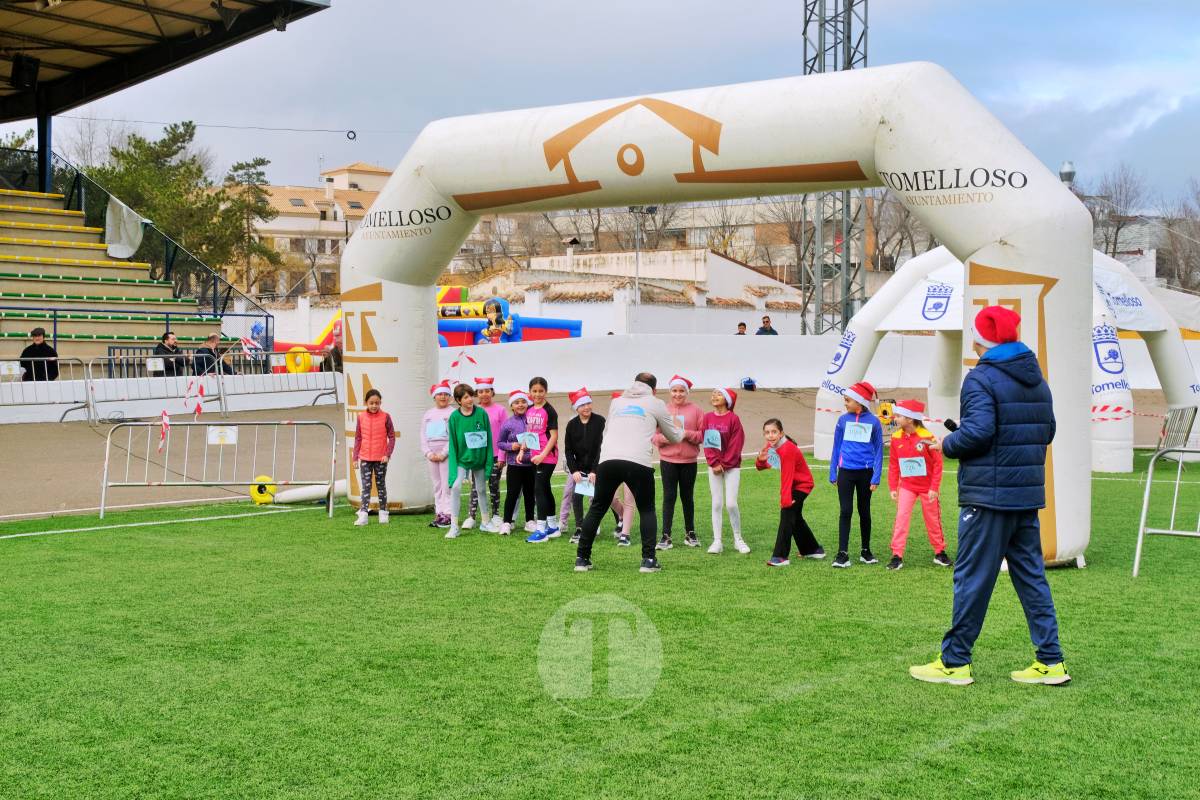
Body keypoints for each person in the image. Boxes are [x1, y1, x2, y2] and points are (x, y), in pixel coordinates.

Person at [910, 306, 1068, 686]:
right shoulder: (1037, 378)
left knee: (972, 578)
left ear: (982, 340)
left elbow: (979, 432)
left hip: (988, 498)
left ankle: (955, 661)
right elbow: (1048, 430)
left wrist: (948, 443)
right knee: (1031, 579)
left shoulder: (980, 379)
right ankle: (1051, 661)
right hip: (1025, 497)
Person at [574, 373, 681, 573]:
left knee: (597, 507)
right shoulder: (656, 403)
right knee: (647, 509)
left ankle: (582, 558)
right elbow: (674, 436)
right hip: (638, 460)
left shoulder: (617, 402)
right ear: (654, 389)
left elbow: (607, 433)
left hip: (608, 459)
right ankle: (648, 560)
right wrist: (682, 430)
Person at [887, 399, 952, 571]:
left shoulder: (928, 438)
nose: (895, 418)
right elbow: (893, 464)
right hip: (907, 486)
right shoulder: (895, 437)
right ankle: (897, 555)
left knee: (933, 520)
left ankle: (940, 552)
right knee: (901, 518)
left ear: (910, 419)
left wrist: (934, 488)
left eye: (899, 415)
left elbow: (938, 464)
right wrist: (893, 487)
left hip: (927, 489)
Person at [829, 381, 884, 568]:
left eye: (847, 400)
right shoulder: (842, 420)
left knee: (864, 511)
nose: (845, 403)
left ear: (859, 402)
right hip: (845, 472)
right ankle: (842, 553)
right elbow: (836, 446)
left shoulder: (874, 422)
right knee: (845, 511)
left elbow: (878, 449)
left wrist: (876, 476)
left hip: (866, 473)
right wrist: (832, 471)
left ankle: (865, 551)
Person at [757, 418, 824, 566]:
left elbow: (787, 476)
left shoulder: (787, 449)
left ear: (781, 433)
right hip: (794, 485)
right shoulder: (770, 446)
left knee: (787, 516)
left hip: (802, 485)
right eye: (767, 433)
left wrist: (785, 501)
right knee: (796, 518)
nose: (770, 435)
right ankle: (812, 549)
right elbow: (763, 466)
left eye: (774, 432)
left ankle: (780, 557)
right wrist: (761, 460)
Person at [653, 374, 704, 550]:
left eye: (681, 391)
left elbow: (701, 436)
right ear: (670, 392)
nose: (678, 394)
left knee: (687, 497)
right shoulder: (662, 410)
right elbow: (654, 436)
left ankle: (690, 533)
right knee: (669, 497)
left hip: (689, 461)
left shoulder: (696, 410)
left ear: (687, 392)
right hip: (668, 460)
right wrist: (668, 438)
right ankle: (666, 535)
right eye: (674, 390)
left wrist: (685, 433)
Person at [445, 383, 499, 539]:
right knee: (455, 487)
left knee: (481, 489)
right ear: (458, 400)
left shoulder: (481, 413)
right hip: (462, 461)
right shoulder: (454, 417)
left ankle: (485, 522)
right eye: (466, 397)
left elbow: (488, 439)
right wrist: (453, 470)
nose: (470, 400)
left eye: (470, 396)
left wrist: (488, 463)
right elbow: (453, 444)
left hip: (479, 460)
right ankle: (454, 526)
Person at [703, 388, 749, 555]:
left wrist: (725, 464)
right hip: (714, 467)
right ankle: (717, 541)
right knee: (716, 503)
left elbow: (736, 444)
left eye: (719, 394)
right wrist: (714, 463)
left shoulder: (734, 419)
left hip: (731, 466)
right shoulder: (707, 418)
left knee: (730, 503)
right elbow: (707, 442)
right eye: (713, 393)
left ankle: (738, 539)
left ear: (727, 400)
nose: (715, 396)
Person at [559, 388, 607, 544]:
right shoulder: (571, 425)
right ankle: (580, 527)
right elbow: (568, 450)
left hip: (596, 466)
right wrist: (574, 471)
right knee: (576, 496)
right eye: (582, 405)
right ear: (576, 408)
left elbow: (600, 447)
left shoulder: (600, 421)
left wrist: (595, 470)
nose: (586, 407)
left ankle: (594, 524)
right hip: (578, 469)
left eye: (588, 403)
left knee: (596, 497)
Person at [467, 376, 507, 530]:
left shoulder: (500, 410)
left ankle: (496, 514)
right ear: (477, 393)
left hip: (496, 455)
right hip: (478, 456)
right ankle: (471, 516)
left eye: (487, 391)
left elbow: (505, 435)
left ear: (492, 392)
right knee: (476, 486)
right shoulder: (472, 411)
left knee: (494, 485)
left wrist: (502, 456)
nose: (484, 394)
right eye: (481, 391)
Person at [524, 376, 561, 542]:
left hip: (547, 456)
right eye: (534, 391)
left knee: (538, 490)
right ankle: (553, 526)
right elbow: (530, 432)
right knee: (545, 489)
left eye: (541, 391)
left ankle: (541, 529)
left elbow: (554, 436)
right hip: (534, 456)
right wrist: (523, 449)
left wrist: (542, 455)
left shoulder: (550, 411)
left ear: (546, 391)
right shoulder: (529, 409)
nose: (538, 394)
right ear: (529, 392)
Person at [352, 388, 395, 526]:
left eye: (377, 403)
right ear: (366, 403)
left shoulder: (386, 417)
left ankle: (383, 512)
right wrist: (355, 457)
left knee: (380, 485)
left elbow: (392, 436)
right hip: (365, 458)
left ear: (380, 403)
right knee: (366, 486)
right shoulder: (361, 417)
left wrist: (387, 454)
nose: (374, 406)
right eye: (371, 403)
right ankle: (363, 514)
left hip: (381, 458)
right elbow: (358, 438)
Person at [497, 389, 537, 537]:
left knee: (529, 493)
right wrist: (511, 446)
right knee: (512, 493)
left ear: (528, 403)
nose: (520, 405)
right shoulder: (508, 424)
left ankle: (530, 521)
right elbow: (500, 443)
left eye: (523, 402)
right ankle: (507, 522)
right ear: (511, 406)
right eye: (516, 402)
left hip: (531, 463)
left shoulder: (533, 419)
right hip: (515, 464)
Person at [421, 380, 454, 528]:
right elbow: (422, 435)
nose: (443, 397)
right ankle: (439, 512)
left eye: (446, 394)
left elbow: (454, 436)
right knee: (437, 484)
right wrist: (428, 453)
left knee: (447, 484)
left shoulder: (453, 413)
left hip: (447, 454)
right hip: (432, 454)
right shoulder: (428, 414)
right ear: (434, 397)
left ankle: (448, 513)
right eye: (440, 394)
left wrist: (444, 453)